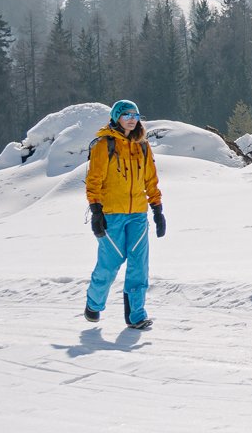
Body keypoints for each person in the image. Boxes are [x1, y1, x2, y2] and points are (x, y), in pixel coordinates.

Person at [83, 100, 166, 330]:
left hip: (138, 214)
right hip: (112, 214)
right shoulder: (104, 144)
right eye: (126, 114)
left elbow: (150, 179)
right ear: (116, 117)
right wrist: (96, 211)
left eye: (135, 114)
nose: (132, 118)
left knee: (139, 266)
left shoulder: (143, 145)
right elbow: (94, 181)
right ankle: (94, 304)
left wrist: (157, 209)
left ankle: (136, 315)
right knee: (110, 265)